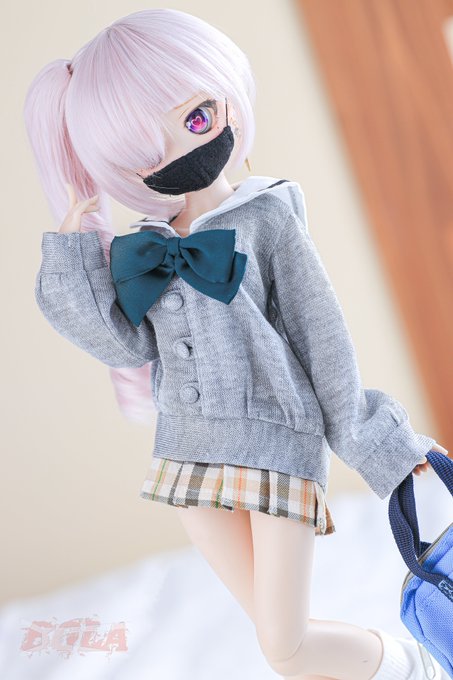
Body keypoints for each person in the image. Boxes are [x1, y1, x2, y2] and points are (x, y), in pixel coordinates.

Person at [24, 8, 450, 679]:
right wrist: (75, 259)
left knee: (286, 646)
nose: (180, 152)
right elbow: (126, 348)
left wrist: (382, 446)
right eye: (143, 153)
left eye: (196, 117)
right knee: (277, 644)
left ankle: (413, 668)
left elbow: (323, 342)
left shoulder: (268, 218)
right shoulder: (144, 250)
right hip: (185, 458)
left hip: (275, 448)